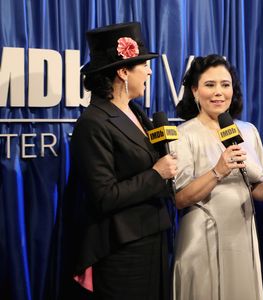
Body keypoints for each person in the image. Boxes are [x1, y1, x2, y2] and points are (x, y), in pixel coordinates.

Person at [64, 22, 177, 300]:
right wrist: (156, 174)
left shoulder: (138, 113)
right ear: (123, 71)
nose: (150, 71)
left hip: (154, 238)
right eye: (143, 66)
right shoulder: (93, 123)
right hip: (121, 250)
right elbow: (103, 196)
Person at [172, 54, 263, 300]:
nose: (218, 92)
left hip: (242, 235)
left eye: (225, 84)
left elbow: (255, 187)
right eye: (209, 85)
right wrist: (217, 171)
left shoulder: (248, 130)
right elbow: (180, 198)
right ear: (194, 91)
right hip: (201, 237)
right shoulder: (183, 134)